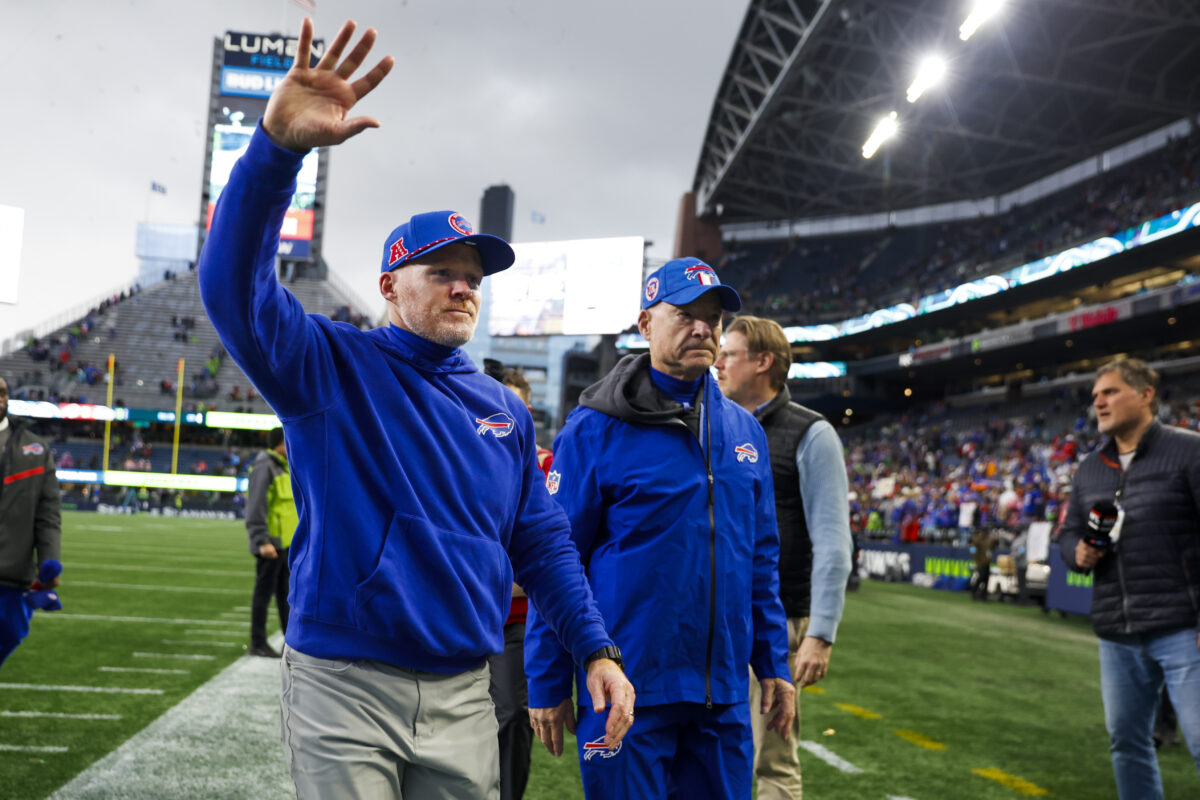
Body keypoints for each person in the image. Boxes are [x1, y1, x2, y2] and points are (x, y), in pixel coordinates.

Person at [197, 19, 633, 799]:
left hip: (466, 689)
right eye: (442, 272)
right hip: (345, 683)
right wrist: (276, 151)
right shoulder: (330, 365)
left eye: (474, 276)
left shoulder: (502, 407)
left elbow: (544, 546)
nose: (464, 286)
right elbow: (232, 288)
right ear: (391, 285)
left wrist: (597, 650)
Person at [525, 258, 794, 799]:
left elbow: (759, 560)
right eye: (685, 314)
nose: (703, 328)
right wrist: (547, 678)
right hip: (624, 688)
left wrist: (773, 664)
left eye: (713, 318)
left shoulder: (745, 432)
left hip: (722, 695)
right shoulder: (594, 429)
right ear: (646, 324)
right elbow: (555, 559)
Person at [715, 315, 852, 799]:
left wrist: (820, 633)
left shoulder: (811, 433)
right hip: (721, 618)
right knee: (714, 750)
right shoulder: (719, 424)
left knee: (771, 758)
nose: (718, 362)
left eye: (729, 354)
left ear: (763, 362)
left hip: (780, 618)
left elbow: (834, 541)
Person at [1058, 358, 1200, 799]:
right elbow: (1067, 534)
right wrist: (1077, 552)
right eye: (1095, 394)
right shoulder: (1091, 467)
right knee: (1127, 743)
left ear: (1145, 395)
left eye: (1110, 391)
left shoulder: (1189, 451)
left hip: (1184, 626)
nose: (1098, 400)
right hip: (1117, 632)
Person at [0, 376, 63, 666]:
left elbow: (47, 514)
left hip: (12, 573)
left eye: (1, 393)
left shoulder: (35, 450)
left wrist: (49, 561)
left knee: (11, 634)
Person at [245, 426, 295, 659]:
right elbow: (255, 506)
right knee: (263, 596)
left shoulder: (282, 466)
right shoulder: (265, 466)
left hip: (285, 544)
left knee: (287, 597)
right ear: (280, 443)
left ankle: (291, 642)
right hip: (271, 545)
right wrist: (261, 540)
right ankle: (258, 642)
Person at [970, 529, 993, 600]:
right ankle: (974, 591)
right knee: (981, 578)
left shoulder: (988, 540)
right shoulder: (976, 540)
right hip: (980, 563)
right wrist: (977, 560)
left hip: (986, 562)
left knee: (986, 579)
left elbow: (992, 547)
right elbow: (973, 551)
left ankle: (984, 595)